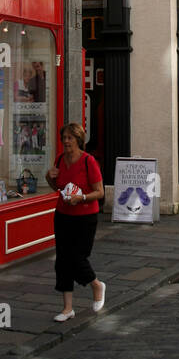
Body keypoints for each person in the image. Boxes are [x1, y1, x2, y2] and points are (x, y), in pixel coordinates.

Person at [45, 123, 105, 322]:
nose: (66, 141)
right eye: (64, 138)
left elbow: (100, 192)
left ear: (79, 139)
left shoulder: (89, 161)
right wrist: (48, 177)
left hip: (85, 217)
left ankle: (96, 285)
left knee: (77, 257)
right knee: (62, 260)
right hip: (63, 214)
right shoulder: (60, 160)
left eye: (70, 138)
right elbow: (57, 188)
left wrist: (81, 198)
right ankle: (67, 308)